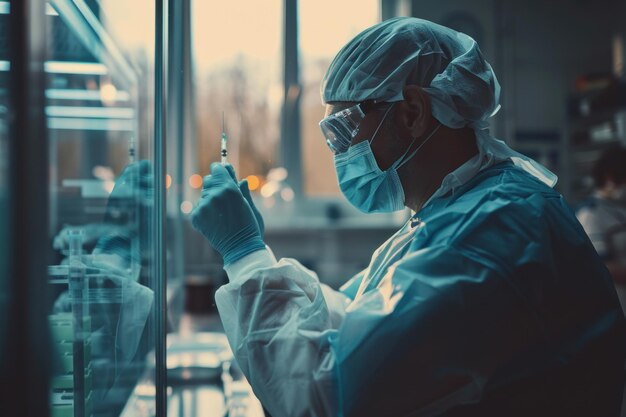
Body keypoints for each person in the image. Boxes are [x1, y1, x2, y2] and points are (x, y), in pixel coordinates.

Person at [191, 17, 626, 417]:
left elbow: (327, 396)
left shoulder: (489, 235)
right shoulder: (459, 209)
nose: (336, 151)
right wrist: (255, 251)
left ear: (413, 111)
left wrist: (245, 253)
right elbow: (351, 319)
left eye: (343, 128)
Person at [577, 146, 626, 315]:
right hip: (614, 308)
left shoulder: (620, 210)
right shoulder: (590, 214)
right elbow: (603, 266)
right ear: (610, 177)